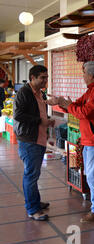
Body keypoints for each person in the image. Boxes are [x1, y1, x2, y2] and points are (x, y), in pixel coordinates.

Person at [47, 61, 94, 223]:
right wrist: (61, 103)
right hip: (89, 138)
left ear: (91, 75)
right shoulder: (92, 90)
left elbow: (85, 112)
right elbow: (76, 105)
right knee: (92, 173)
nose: (83, 76)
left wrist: (66, 105)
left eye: (84, 74)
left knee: (92, 174)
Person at [13, 65, 55, 221]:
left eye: (46, 77)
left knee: (34, 174)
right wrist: (40, 121)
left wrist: (47, 121)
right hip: (30, 140)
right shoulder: (24, 92)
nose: (45, 80)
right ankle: (32, 209)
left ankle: (35, 202)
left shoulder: (39, 92)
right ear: (32, 77)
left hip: (39, 137)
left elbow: (39, 110)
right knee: (30, 175)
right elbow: (18, 115)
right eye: (42, 77)